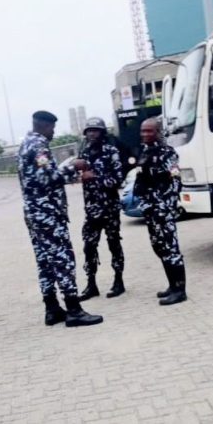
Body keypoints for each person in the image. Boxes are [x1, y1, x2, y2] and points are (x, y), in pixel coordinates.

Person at [18, 110, 103, 327]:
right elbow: (49, 176)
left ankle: (52, 308)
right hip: (47, 214)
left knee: (45, 261)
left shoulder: (26, 143)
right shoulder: (39, 146)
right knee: (63, 258)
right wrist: (75, 171)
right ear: (44, 126)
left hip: (33, 212)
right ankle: (74, 310)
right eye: (52, 128)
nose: (53, 133)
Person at [134, 118, 187, 305]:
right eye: (143, 131)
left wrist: (167, 207)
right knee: (159, 247)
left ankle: (180, 290)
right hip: (150, 209)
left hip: (162, 209)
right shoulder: (144, 152)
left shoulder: (168, 153)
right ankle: (172, 285)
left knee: (171, 248)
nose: (145, 134)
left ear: (158, 132)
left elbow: (174, 181)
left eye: (149, 131)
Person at [77, 117, 125, 301]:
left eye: (95, 130)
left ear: (102, 133)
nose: (91, 133)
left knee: (114, 243)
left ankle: (118, 281)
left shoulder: (111, 151)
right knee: (89, 246)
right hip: (91, 209)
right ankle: (91, 284)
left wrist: (94, 177)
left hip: (110, 208)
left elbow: (118, 179)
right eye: (89, 130)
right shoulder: (84, 152)